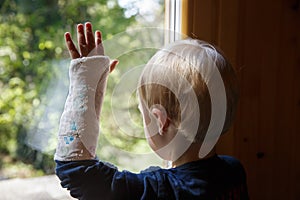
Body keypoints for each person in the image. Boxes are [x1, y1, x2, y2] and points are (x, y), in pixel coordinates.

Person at [55, 22, 249, 200]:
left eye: (142, 113)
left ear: (161, 120)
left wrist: (87, 80)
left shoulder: (160, 190)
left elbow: (75, 170)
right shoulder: (234, 171)